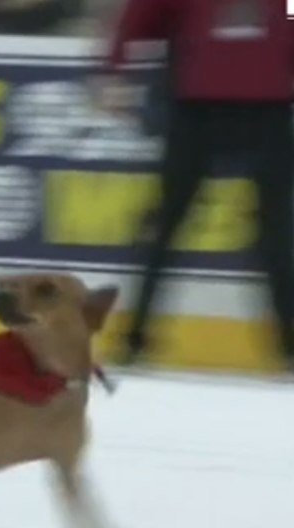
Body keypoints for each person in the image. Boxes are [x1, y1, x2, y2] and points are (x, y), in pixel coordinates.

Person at [93, 0, 294, 372]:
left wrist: (114, 69)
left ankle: (290, 347)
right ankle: (135, 338)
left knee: (277, 234)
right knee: (167, 226)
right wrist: (113, 70)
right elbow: (141, 15)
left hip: (267, 110)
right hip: (198, 111)